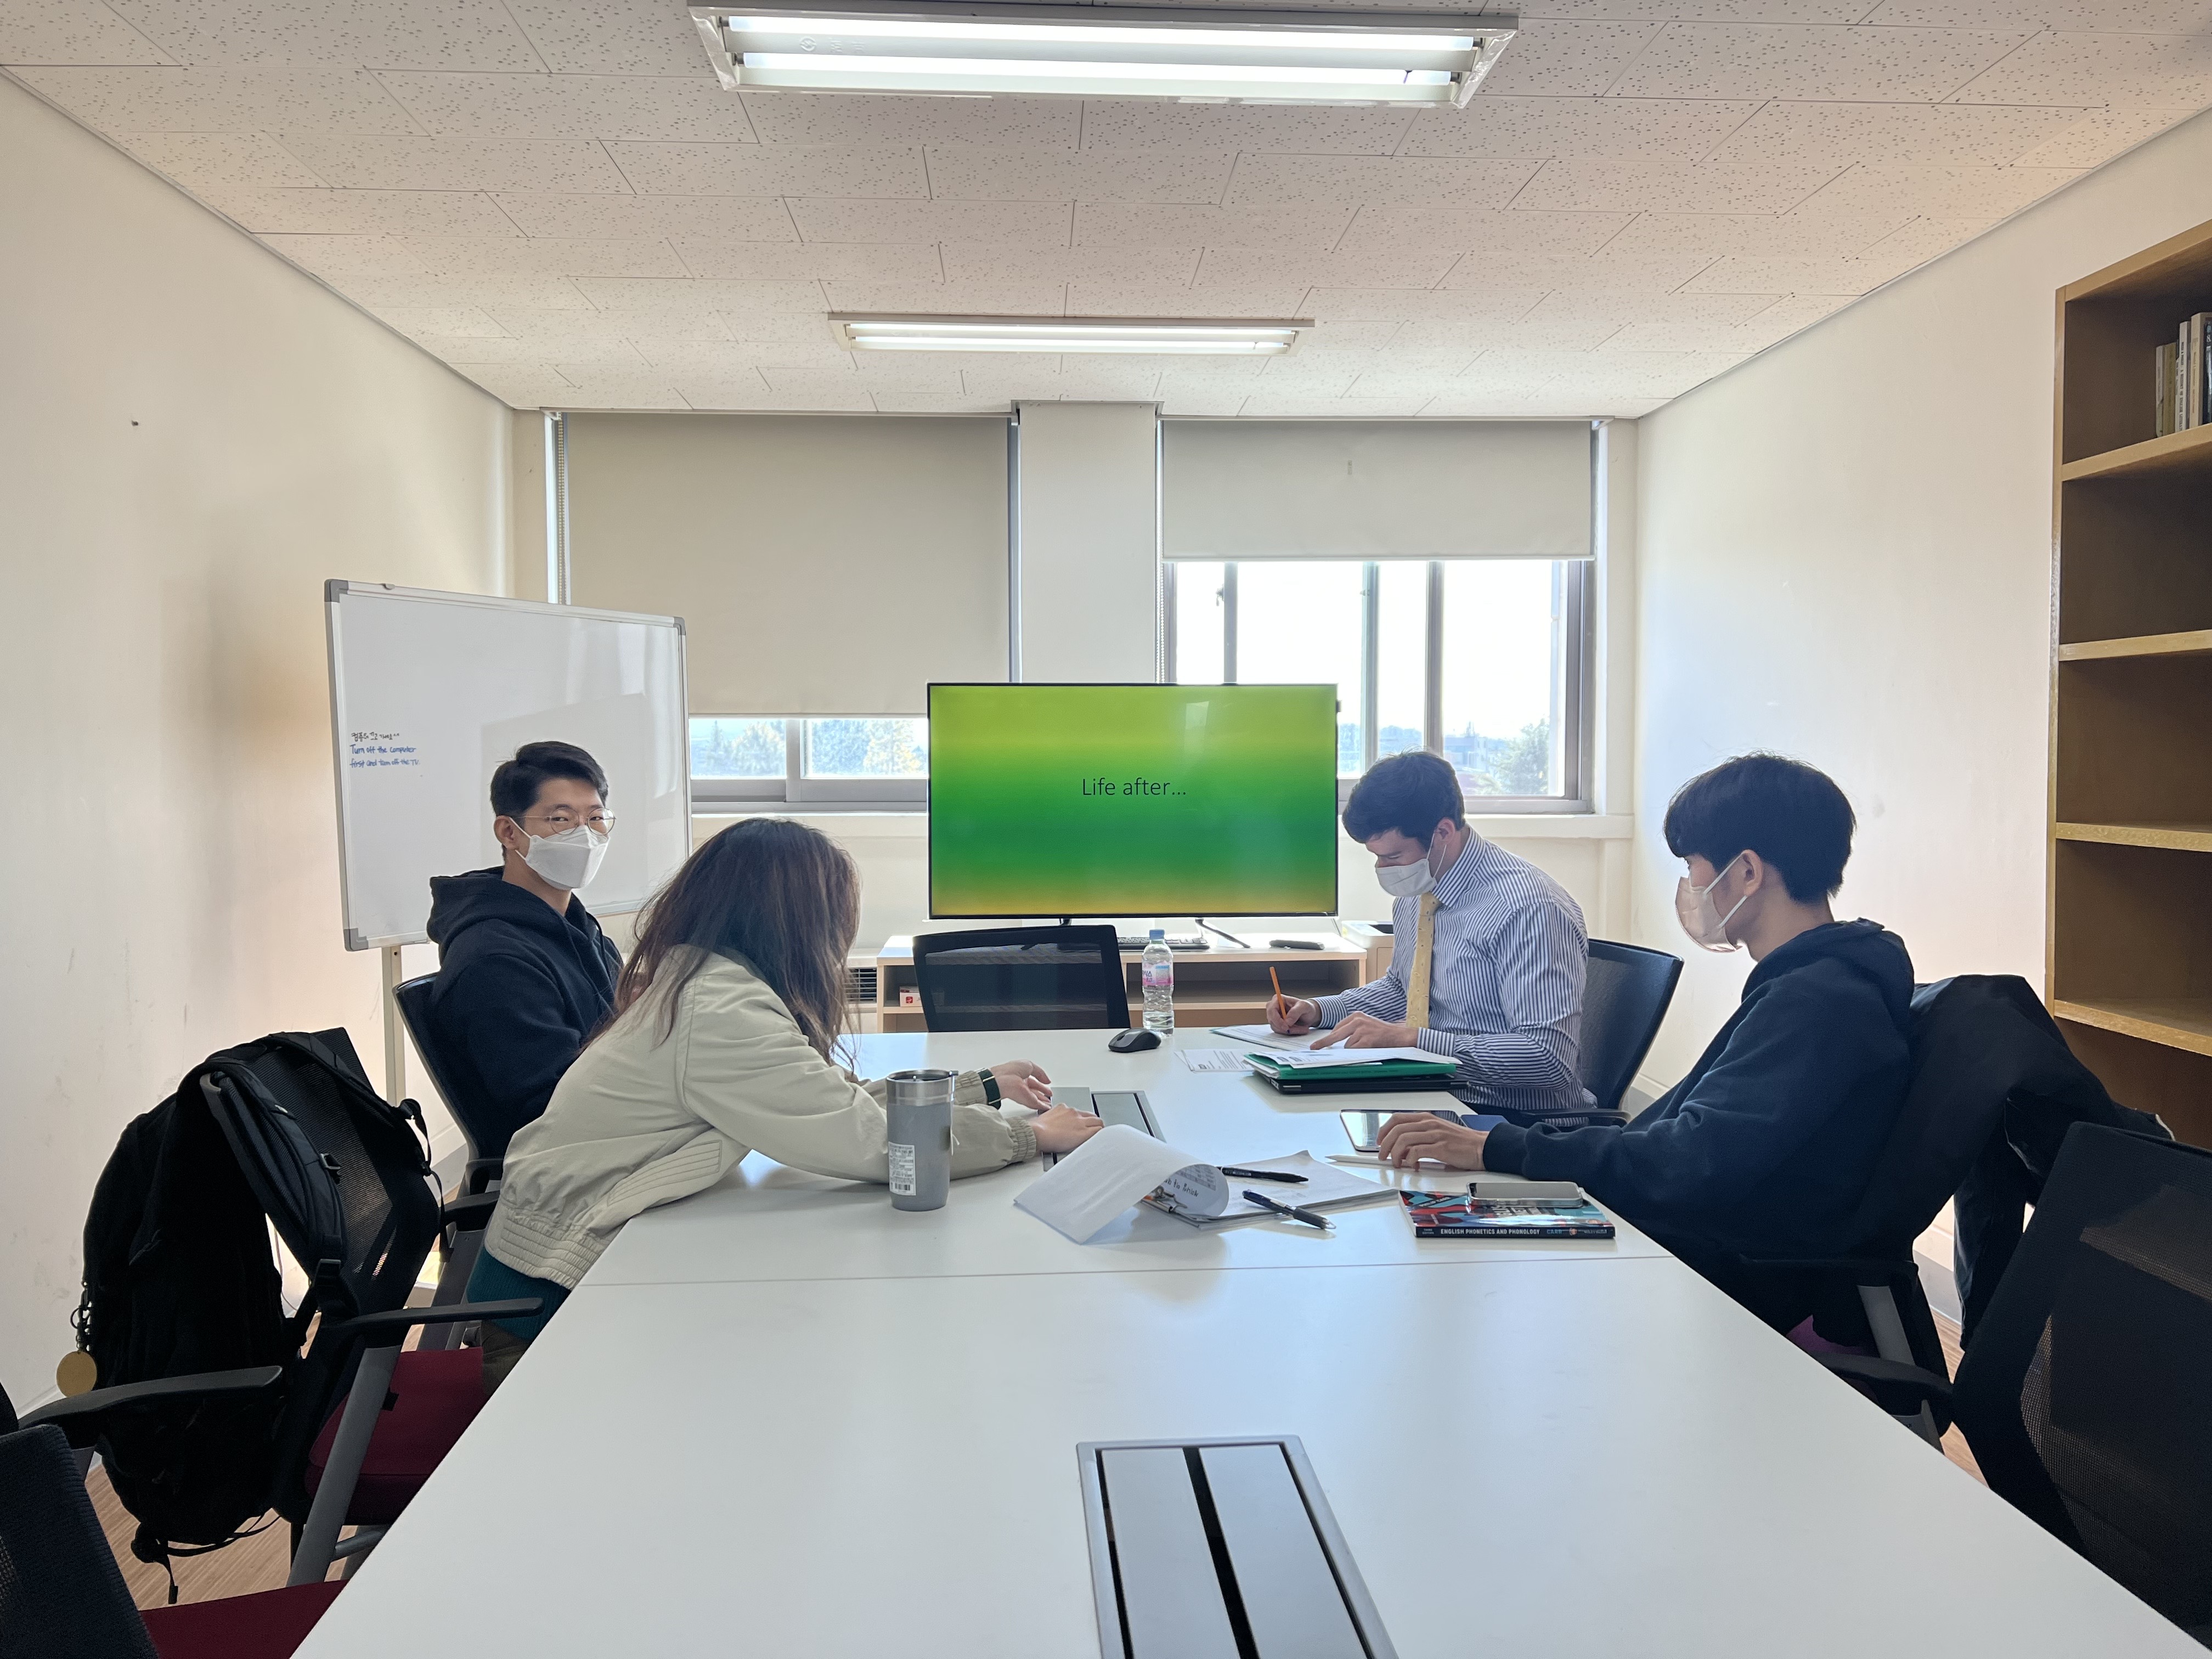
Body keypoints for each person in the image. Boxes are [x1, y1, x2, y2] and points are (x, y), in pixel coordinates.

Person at [466, 817, 1104, 1386]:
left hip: (571, 1269)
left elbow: (825, 1095)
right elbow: (869, 1141)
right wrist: (1029, 1138)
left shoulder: (704, 979)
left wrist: (974, 1088)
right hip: (550, 1314)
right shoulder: (718, 1011)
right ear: (794, 920)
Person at [1376, 752, 1914, 1339]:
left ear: (1747, 873)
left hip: (1709, 1278)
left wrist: (1498, 1146)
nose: (1692, 887)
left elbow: (1686, 1163)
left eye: (1693, 865)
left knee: (1441, 1287)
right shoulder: (1809, 984)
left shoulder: (1817, 1004)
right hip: (1685, 1238)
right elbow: (1689, 1143)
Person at [1269, 750, 1592, 1122]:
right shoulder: (1419, 891)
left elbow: (1549, 1059)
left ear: (1443, 832)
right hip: (1433, 1094)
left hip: (1512, 1121)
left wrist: (1414, 1040)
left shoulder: (1528, 909)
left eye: (1393, 856)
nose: (1383, 869)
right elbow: (1402, 990)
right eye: (1376, 857)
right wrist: (1319, 1011)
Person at [425, 741, 624, 1159]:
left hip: (616, 1135)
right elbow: (552, 1105)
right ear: (509, 832)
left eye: (595, 819)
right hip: (568, 1163)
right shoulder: (494, 960)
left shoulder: (581, 929)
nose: (585, 836)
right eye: (560, 819)